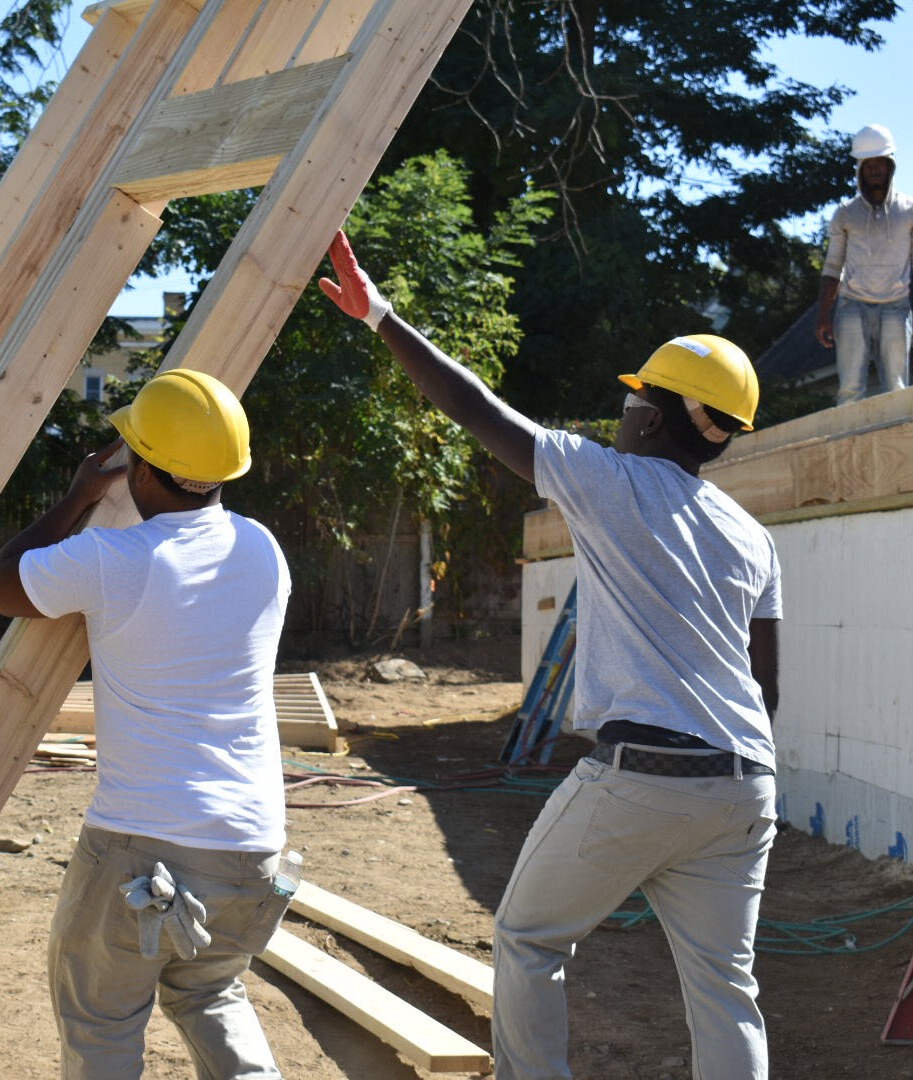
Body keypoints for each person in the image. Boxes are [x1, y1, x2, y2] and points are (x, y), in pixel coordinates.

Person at [320, 231, 782, 1080]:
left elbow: (478, 411)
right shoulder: (753, 538)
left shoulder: (607, 478)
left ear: (655, 414)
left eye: (635, 397)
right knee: (726, 986)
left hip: (644, 770)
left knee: (528, 938)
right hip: (747, 779)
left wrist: (380, 315)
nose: (623, 409)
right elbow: (767, 683)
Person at [0, 369, 293, 1079]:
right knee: (211, 990)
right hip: (254, 851)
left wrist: (79, 496)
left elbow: (1, 584)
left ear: (141, 468)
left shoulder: (114, 559)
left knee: (101, 1025)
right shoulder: (265, 551)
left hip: (144, 849)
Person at [816, 123, 913, 405]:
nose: (873, 169)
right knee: (849, 390)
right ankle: (846, 446)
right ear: (859, 169)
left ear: (890, 165)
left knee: (897, 389)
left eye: (880, 162)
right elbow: (833, 266)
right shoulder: (845, 214)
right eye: (867, 164)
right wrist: (823, 315)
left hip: (895, 306)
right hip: (851, 305)